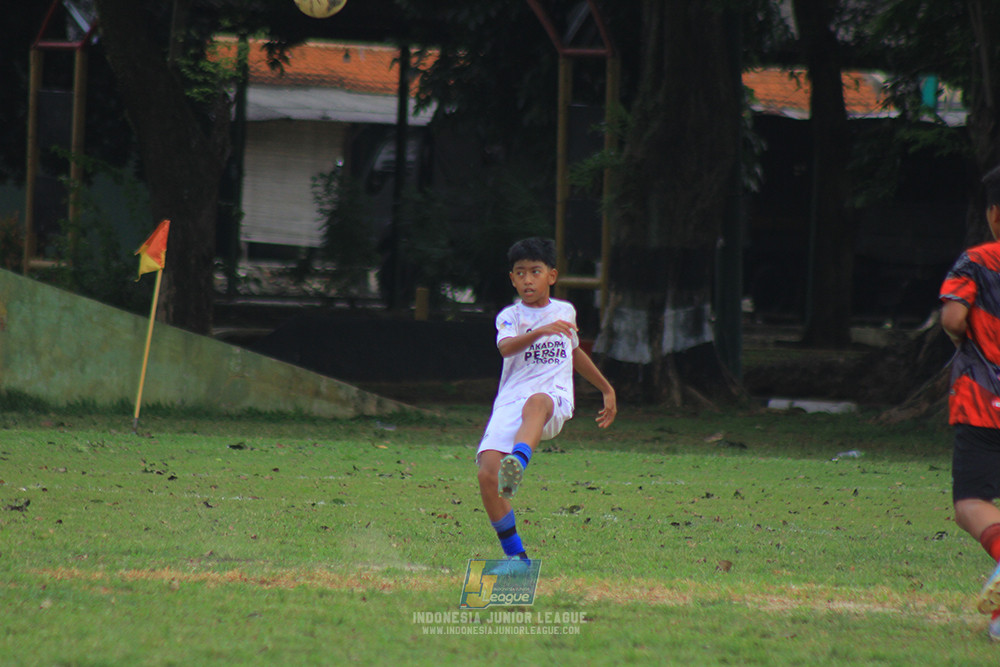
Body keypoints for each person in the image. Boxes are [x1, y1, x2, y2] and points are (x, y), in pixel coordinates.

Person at [476, 237, 617, 574]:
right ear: (512, 279)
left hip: (552, 398)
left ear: (551, 276)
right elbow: (506, 348)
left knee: (537, 402)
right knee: (486, 475)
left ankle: (519, 461)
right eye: (520, 273)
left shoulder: (564, 311)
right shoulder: (509, 316)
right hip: (511, 401)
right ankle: (517, 560)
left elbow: (574, 351)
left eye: (535, 272)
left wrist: (606, 389)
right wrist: (540, 331)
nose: (528, 279)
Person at [940, 163, 1000, 640]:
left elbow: (955, 318)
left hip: (985, 400)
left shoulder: (978, 260)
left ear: (994, 214)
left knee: (970, 503)